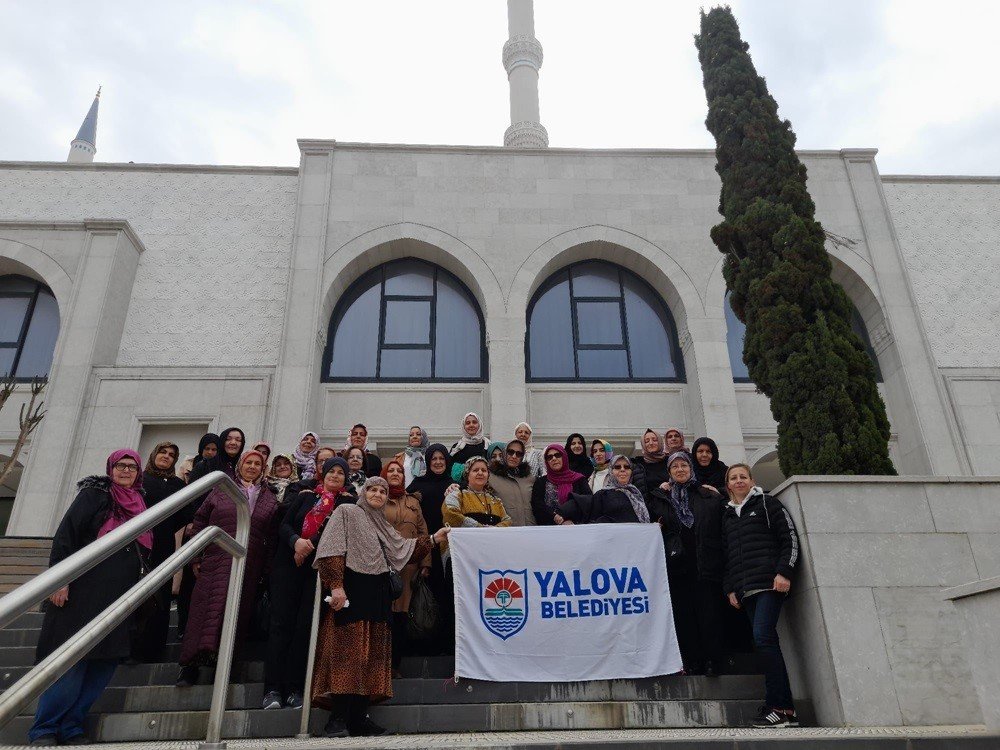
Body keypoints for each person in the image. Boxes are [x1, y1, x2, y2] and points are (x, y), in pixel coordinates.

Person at [311, 476, 451, 737]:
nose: (377, 494)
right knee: (347, 652)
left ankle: (360, 718)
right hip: (352, 587)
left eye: (382, 491)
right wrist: (336, 585)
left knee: (373, 653)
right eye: (372, 489)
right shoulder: (347, 511)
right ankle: (338, 718)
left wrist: (432, 539)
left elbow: (403, 550)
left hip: (378, 591)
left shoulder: (384, 525)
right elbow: (331, 549)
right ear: (363, 492)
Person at [29, 450, 150, 746]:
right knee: (72, 658)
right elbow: (66, 535)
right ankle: (45, 728)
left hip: (119, 594)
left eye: (131, 467)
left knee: (104, 662)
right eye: (120, 466)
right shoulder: (95, 495)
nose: (125, 471)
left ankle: (72, 726)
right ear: (110, 468)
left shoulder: (141, 504)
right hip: (82, 588)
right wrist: (60, 580)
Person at [177, 450, 279, 687]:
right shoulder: (221, 489)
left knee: (236, 616)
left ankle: (223, 668)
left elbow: (271, 538)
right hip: (215, 559)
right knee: (203, 612)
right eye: (248, 463)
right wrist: (196, 556)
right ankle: (189, 667)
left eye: (257, 464)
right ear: (240, 466)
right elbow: (200, 522)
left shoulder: (269, 498)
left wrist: (265, 570)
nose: (252, 467)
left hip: (248, 565)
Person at [262, 457, 354, 710]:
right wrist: (295, 541)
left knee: (305, 627)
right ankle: (272, 689)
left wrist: (308, 545)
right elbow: (284, 524)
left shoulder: (347, 504)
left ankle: (294, 688)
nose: (335, 475)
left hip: (318, 569)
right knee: (281, 625)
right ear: (322, 474)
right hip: (287, 566)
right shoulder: (305, 496)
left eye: (340, 472)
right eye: (331, 471)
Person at [722, 463, 800, 728]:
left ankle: (777, 707)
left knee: (764, 639)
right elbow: (728, 555)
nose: (739, 480)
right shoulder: (728, 515)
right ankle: (785, 709)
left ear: (751, 480)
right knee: (764, 642)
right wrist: (730, 587)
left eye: (743, 476)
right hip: (746, 589)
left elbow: (789, 536)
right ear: (728, 485)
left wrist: (784, 572)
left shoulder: (767, 503)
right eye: (734, 478)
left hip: (769, 584)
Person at [647, 451, 725, 677]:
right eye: (675, 467)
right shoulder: (660, 498)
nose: (680, 470)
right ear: (669, 472)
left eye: (684, 466)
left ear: (691, 469)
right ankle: (692, 661)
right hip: (677, 566)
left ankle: (713, 660)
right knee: (684, 616)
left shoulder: (706, 495)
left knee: (709, 614)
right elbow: (652, 522)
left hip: (705, 563)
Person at [177, 427, 245, 641]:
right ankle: (185, 629)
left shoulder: (241, 468)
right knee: (194, 585)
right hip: (203, 530)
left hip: (231, 534)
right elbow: (191, 498)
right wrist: (192, 522)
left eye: (238, 439)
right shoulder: (205, 466)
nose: (234, 443)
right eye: (230, 439)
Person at [131, 442, 187, 664]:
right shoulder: (140, 480)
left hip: (163, 546)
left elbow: (184, 514)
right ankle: (130, 649)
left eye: (172, 455)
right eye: (163, 452)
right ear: (154, 454)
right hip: (137, 546)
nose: (166, 457)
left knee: (160, 599)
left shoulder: (178, 484)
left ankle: (154, 651)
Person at [380, 460, 431, 675]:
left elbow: (422, 533)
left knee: (401, 616)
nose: (395, 474)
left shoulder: (413, 502)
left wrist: (425, 563)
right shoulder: (377, 498)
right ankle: (377, 666)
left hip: (408, 566)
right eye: (390, 470)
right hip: (380, 565)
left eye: (399, 471)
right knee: (381, 615)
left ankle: (394, 665)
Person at [404, 444, 453, 655]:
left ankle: (446, 645)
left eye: (442, 458)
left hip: (449, 549)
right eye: (434, 458)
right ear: (428, 461)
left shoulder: (454, 484)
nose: (438, 462)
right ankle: (421, 646)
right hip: (425, 546)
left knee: (447, 594)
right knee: (422, 595)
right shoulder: (418, 484)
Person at [441, 457, 512, 563]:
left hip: (490, 557)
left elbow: (507, 521)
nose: (480, 473)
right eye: (475, 470)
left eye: (484, 470)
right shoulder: (457, 494)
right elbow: (450, 515)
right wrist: (480, 529)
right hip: (462, 558)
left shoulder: (495, 500)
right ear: (467, 475)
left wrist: (494, 530)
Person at [559, 455, 650, 525]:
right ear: (610, 471)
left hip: (635, 544)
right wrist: (562, 513)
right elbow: (584, 505)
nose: (623, 469)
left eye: (627, 467)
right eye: (617, 467)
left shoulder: (636, 494)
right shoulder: (603, 494)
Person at [530, 444, 592, 526]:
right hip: (548, 529)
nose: (554, 459)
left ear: (564, 457)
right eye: (549, 457)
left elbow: (587, 501)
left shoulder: (579, 479)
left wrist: (566, 514)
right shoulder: (541, 482)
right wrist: (555, 516)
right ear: (546, 462)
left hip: (576, 527)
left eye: (557, 455)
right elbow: (537, 505)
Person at [488, 439, 535, 527]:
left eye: (519, 453)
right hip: (505, 532)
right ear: (504, 453)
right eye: (510, 452)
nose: (514, 456)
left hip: (530, 531)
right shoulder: (490, 477)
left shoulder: (530, 478)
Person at [632, 428, 669, 498]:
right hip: (647, 506)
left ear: (660, 442)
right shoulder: (637, 464)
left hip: (670, 505)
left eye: (654, 440)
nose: (651, 443)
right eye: (646, 441)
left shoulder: (670, 461)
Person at [449, 412, 488, 478]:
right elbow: (450, 469)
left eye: (474, 422)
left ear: (479, 425)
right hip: (461, 486)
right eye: (467, 423)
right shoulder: (457, 447)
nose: (471, 425)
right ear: (463, 426)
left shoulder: (487, 445)